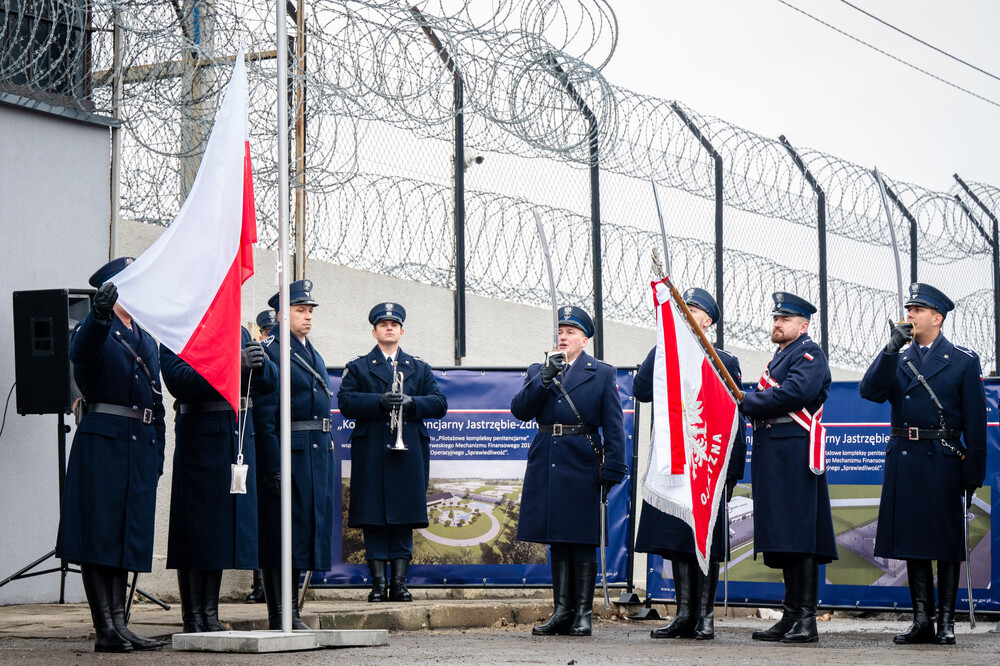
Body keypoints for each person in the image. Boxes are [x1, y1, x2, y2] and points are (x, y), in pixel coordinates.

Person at [859, 283, 987, 645]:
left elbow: (975, 423)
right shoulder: (898, 358)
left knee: (945, 544)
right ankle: (921, 621)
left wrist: (972, 472)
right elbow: (870, 391)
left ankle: (945, 621)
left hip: (943, 459)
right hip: (906, 458)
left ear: (937, 317)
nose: (910, 315)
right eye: (909, 309)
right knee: (913, 542)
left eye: (917, 310)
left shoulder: (962, 360)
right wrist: (888, 349)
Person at [54, 258, 165, 652]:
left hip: (139, 444)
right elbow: (81, 354)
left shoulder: (145, 337)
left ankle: (121, 624)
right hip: (104, 442)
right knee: (99, 536)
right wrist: (98, 316)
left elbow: (157, 401)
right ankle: (105, 627)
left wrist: (159, 453)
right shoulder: (98, 329)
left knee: (123, 537)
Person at [633, 288, 746, 641]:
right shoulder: (666, 353)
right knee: (677, 538)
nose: (685, 313)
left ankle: (705, 616)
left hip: (706, 465)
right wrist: (660, 344)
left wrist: (731, 475)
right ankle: (683, 613)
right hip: (673, 463)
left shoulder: (723, 360)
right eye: (683, 308)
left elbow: (734, 425)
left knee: (705, 542)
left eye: (692, 309)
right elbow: (640, 390)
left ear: (707, 320)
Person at [510, 306, 628, 637]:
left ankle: (583, 613)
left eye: (570, 332)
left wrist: (614, 468)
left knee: (582, 538)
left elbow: (614, 427)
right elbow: (520, 410)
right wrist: (542, 380)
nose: (563, 336)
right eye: (560, 331)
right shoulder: (539, 369)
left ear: (584, 339)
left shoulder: (601, 372)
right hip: (548, 457)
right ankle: (562, 611)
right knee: (557, 539)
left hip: (582, 459)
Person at [160, 327, 277, 632]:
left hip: (233, 437)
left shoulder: (237, 329)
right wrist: (234, 363)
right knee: (195, 529)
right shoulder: (178, 327)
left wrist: (261, 361)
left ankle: (209, 614)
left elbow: (269, 384)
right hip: (200, 438)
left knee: (220, 531)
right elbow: (179, 380)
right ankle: (192, 617)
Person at [742, 292, 837, 644]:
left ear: (803, 325)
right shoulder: (782, 355)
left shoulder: (810, 354)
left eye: (785, 319)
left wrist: (747, 400)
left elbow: (793, 394)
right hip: (775, 454)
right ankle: (790, 613)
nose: (777, 324)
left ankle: (807, 619)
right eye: (775, 318)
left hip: (795, 454)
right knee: (783, 536)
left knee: (800, 537)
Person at [337, 303, 448, 602]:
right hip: (372, 450)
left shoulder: (419, 367)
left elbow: (440, 403)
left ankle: (398, 584)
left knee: (403, 516)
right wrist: (378, 402)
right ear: (374, 332)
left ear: (402, 331)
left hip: (407, 451)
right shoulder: (359, 367)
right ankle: (377, 584)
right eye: (383, 324)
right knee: (373, 517)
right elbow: (345, 402)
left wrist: (412, 403)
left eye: (394, 324)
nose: (389, 328)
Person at [254, 279, 336, 629]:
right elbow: (265, 414)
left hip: (315, 452)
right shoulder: (274, 351)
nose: (308, 316)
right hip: (291, 452)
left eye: (310, 310)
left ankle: (294, 610)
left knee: (304, 533)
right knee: (281, 535)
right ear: (280, 314)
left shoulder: (308, 349)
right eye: (300, 310)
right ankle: (281, 614)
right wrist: (273, 465)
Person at [245, 309, 278, 604]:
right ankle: (258, 583)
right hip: (258, 440)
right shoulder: (268, 350)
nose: (268, 335)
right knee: (260, 520)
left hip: (266, 440)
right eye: (265, 331)